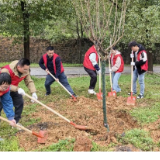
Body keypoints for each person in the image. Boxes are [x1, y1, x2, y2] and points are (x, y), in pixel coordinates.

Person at [0, 58, 38, 126]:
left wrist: (33, 92)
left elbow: (29, 81)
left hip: (10, 89)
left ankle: (15, 122)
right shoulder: (6, 71)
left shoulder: (26, 71)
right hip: (7, 88)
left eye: (28, 69)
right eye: (25, 69)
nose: (27, 71)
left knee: (19, 102)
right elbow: (3, 83)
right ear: (18, 67)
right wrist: (15, 88)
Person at [0, 73, 16, 141]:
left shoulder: (6, 89)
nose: (5, 88)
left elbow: (7, 102)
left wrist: (11, 118)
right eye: (3, 87)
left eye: (6, 87)